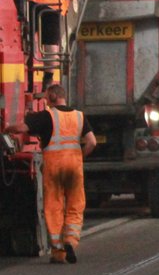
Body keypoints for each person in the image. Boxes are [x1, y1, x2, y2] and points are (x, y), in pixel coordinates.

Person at [3, 84, 96, 264]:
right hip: (74, 168)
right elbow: (91, 142)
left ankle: (58, 250)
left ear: (53, 96)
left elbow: (22, 128)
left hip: (54, 169)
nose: (45, 100)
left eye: (46, 97)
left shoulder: (47, 116)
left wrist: (7, 129)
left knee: (54, 207)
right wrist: (78, 156)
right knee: (75, 205)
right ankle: (70, 240)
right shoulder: (79, 116)